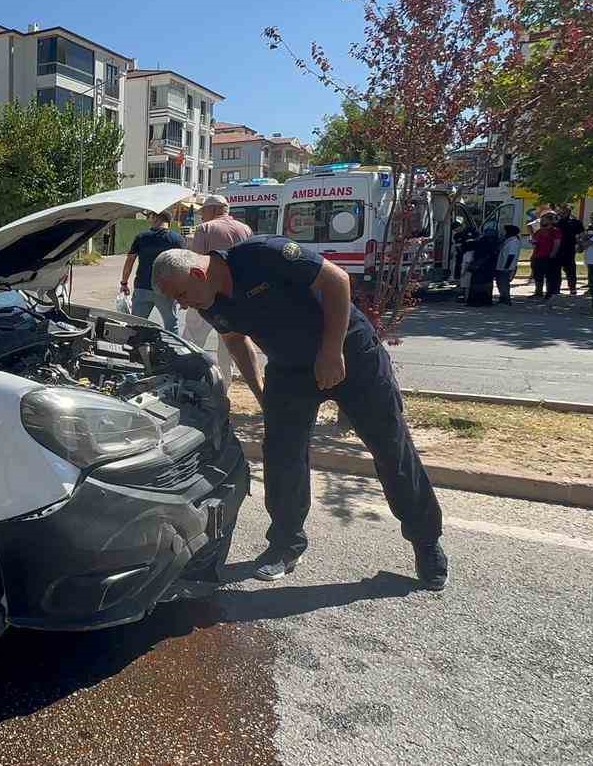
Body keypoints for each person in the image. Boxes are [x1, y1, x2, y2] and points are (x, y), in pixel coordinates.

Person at [152, 240, 448, 590]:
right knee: (281, 454)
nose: (183, 304)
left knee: (391, 449)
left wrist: (331, 351)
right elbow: (235, 341)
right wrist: (261, 392)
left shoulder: (261, 256)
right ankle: (285, 545)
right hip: (290, 370)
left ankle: (426, 543)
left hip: (350, 354)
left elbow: (336, 281)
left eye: (182, 294)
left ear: (199, 273)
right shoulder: (208, 302)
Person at [183, 194, 253, 384]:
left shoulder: (205, 229)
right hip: (235, 297)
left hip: (205, 297)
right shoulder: (245, 230)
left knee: (191, 341)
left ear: (214, 209)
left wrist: (185, 296)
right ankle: (224, 388)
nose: (202, 215)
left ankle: (190, 380)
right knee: (230, 347)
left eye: (203, 211)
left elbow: (194, 264)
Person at [119, 209, 184, 333]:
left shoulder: (141, 237)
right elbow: (183, 267)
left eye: (150, 216)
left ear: (155, 217)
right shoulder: (177, 239)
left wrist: (124, 283)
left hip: (142, 287)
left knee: (135, 325)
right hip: (167, 290)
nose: (148, 219)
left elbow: (130, 261)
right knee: (171, 327)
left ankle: (134, 349)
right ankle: (171, 351)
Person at [529, 214, 562, 305]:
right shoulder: (539, 231)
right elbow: (534, 240)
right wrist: (533, 242)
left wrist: (553, 253)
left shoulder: (555, 231)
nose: (542, 221)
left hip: (548, 256)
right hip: (537, 255)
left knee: (549, 276)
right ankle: (538, 292)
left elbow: (557, 243)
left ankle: (549, 293)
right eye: (542, 220)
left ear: (550, 221)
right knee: (537, 275)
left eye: (544, 220)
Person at [464, 227, 500, 307]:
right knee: (488, 284)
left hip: (479, 266)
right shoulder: (496, 243)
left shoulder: (481, 242)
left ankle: (475, 301)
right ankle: (486, 300)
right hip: (490, 267)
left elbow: (468, 246)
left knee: (476, 284)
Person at [555, 205, 585, 294]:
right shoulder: (556, 222)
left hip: (569, 249)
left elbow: (582, 234)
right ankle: (556, 289)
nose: (563, 213)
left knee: (570, 270)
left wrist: (580, 244)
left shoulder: (575, 222)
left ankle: (572, 288)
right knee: (556, 270)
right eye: (562, 211)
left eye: (566, 211)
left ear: (569, 212)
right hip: (557, 249)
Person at [495, 225, 521, 305]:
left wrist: (506, 267)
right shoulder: (508, 240)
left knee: (504, 283)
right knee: (500, 282)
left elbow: (511, 255)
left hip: (506, 266)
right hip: (501, 265)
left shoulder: (513, 242)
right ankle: (502, 297)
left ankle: (506, 298)